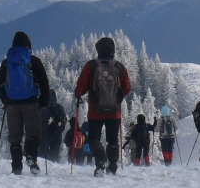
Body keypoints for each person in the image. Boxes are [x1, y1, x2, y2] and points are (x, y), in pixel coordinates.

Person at [73, 36, 132, 176]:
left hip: (96, 111)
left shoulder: (91, 66)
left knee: (94, 138)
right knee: (112, 139)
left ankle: (101, 161)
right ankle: (112, 166)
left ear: (98, 49)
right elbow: (128, 88)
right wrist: (118, 96)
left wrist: (77, 94)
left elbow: (81, 87)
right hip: (114, 110)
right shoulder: (119, 67)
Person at [0, 31, 51, 175]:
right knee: (33, 132)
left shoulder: (6, 62)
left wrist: (5, 99)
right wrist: (44, 100)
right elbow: (44, 82)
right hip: (31, 103)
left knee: (15, 136)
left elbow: (0, 84)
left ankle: (16, 166)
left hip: (12, 105)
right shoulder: (33, 61)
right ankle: (31, 157)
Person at [41, 88, 67, 162]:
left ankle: (45, 166)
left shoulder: (43, 107)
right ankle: (54, 165)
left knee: (43, 153)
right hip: (57, 133)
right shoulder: (59, 108)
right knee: (55, 152)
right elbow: (64, 120)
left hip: (45, 134)